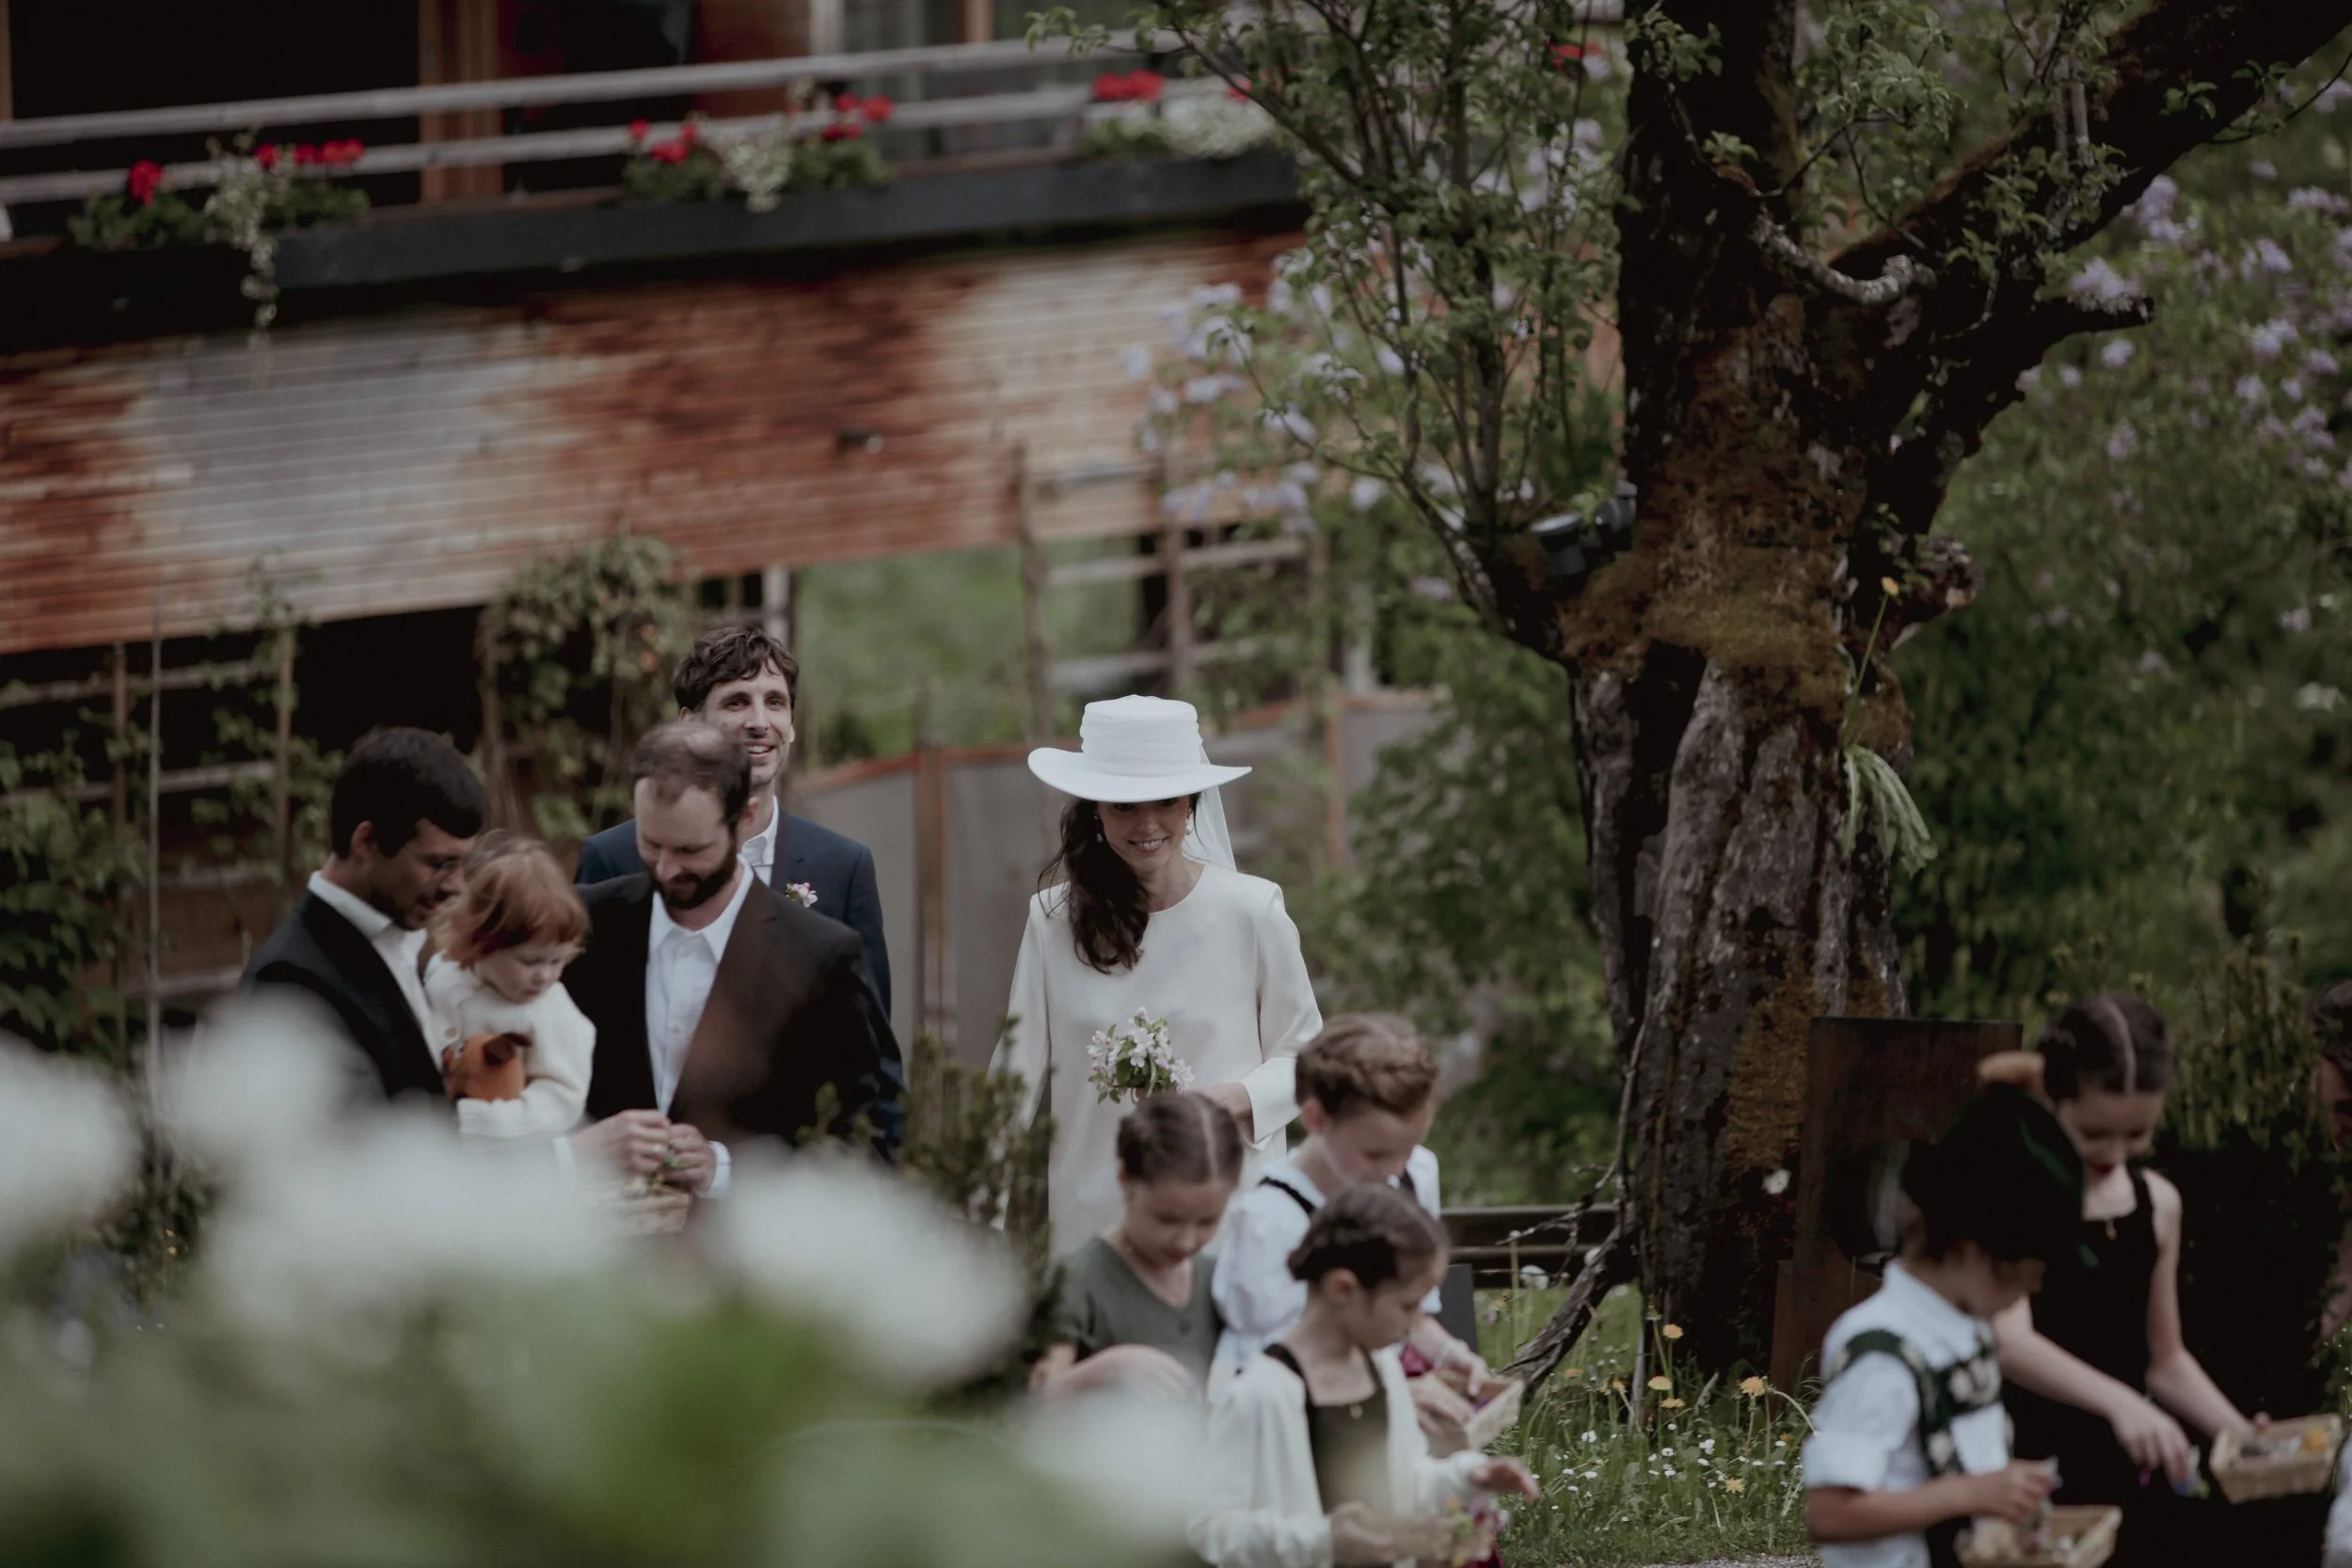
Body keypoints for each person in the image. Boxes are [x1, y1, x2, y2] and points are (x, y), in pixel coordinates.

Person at [995, 694, 1322, 1249]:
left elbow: (1308, 1060)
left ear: (1191, 803)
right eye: (1124, 806)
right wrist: (977, 1212)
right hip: (1095, 1225)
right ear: (1095, 810)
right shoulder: (1052, 921)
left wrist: (1233, 1098)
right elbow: (1014, 1078)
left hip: (1226, 1220)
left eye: (1165, 801)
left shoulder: (1253, 910)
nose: (1147, 824)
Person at [564, 721, 901, 1194]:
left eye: (690, 849)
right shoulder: (584, 924)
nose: (665, 869)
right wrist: (576, 1151)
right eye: (651, 843)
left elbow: (863, 1146)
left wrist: (722, 1169)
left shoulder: (821, 957)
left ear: (745, 818)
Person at [1992, 993, 2253, 1568]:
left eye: (2136, 1137)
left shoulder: (2158, 1205)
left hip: (2129, 1473)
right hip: (2031, 1471)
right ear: (2053, 1101)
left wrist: (2242, 1437)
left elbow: (2166, 1360)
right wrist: (2122, 1405)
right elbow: (2009, 1341)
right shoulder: (2018, 1195)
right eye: (2094, 1135)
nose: (2114, 1154)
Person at [1804, 1083, 2085, 1568]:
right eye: (2026, 1277)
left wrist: (2003, 1498)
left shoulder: (1964, 1329)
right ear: (1975, 1253)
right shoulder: (1883, 1353)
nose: (2031, 1293)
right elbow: (1829, 1513)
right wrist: (1969, 1493)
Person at [1189, 1182, 1538, 1568]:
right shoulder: (1259, 1394)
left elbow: (1404, 1479)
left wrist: (1469, 1476)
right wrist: (1324, 1541)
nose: (1414, 1325)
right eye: (1407, 1306)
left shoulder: (1383, 1372)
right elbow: (1212, 1529)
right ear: (1343, 1289)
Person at [575, 625, 891, 1019]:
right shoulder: (610, 860)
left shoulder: (844, 868)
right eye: (737, 703)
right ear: (689, 723)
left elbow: (869, 1042)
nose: (760, 722)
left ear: (791, 724)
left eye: (775, 702)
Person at [1213, 1015, 1487, 1436]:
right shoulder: (1270, 1222)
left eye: (1409, 1149)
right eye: (1375, 1154)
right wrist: (1396, 1396)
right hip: (1310, 1432)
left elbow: (1412, 1314)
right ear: (1316, 1119)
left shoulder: (1416, 1174)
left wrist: (1445, 1352)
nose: (1394, 1171)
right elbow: (1268, 1374)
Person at [242, 726, 484, 1106]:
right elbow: (360, 1156)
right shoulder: (291, 983)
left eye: (461, 864)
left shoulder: (402, 948)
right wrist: (568, 1158)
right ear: (366, 843)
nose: (458, 887)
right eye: (439, 864)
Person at [1033, 1092, 1243, 1399]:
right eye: (1167, 1220)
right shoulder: (1077, 1280)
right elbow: (1035, 1402)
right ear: (1125, 1177)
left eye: (1207, 1222)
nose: (1186, 1241)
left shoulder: (1218, 1280)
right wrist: (1106, 1369)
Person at [422, 836, 596, 1142]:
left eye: (558, 960)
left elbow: (562, 1097)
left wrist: (479, 1123)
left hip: (507, 1154)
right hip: (430, 1136)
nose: (544, 976)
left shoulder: (549, 1010)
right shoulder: (445, 973)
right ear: (482, 942)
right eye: (529, 961)